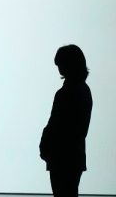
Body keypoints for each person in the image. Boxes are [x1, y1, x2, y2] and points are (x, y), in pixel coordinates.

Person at [40, 44, 93, 197]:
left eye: (62, 64)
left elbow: (56, 125)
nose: (59, 68)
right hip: (72, 157)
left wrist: (46, 146)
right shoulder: (83, 90)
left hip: (62, 157)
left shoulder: (67, 92)